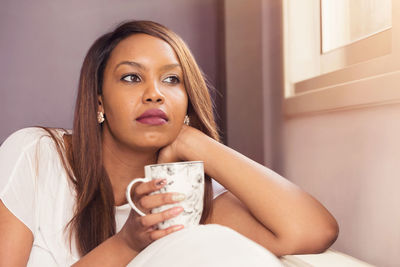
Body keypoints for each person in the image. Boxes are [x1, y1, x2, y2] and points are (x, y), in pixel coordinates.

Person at [0, 20, 338, 266]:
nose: (154, 94)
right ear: (99, 101)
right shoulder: (36, 156)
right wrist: (127, 244)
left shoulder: (190, 202)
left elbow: (314, 231)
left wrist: (195, 142)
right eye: (132, 77)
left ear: (187, 101)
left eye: (171, 80)